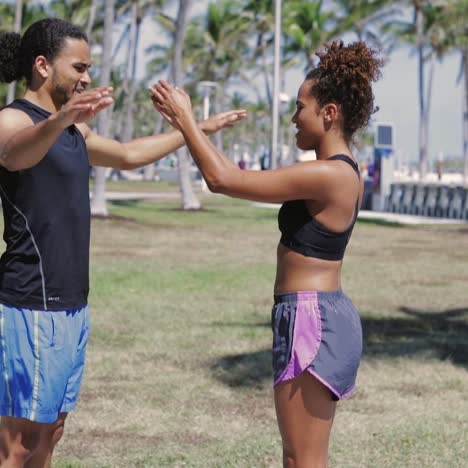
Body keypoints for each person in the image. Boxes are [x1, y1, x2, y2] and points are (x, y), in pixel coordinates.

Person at [0, 18, 245, 468]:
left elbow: (131, 155)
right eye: (78, 67)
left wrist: (198, 129)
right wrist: (62, 120)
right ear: (41, 66)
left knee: (51, 434)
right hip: (29, 306)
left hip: (73, 305)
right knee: (16, 446)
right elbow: (16, 153)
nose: (87, 78)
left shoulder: (74, 131)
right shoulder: (13, 119)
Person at [151, 39, 384, 467]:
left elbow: (222, 179)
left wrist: (186, 119)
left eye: (300, 107)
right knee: (300, 457)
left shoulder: (331, 174)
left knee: (302, 459)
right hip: (308, 313)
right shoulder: (332, 170)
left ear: (328, 113)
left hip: (312, 319)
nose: (294, 118)